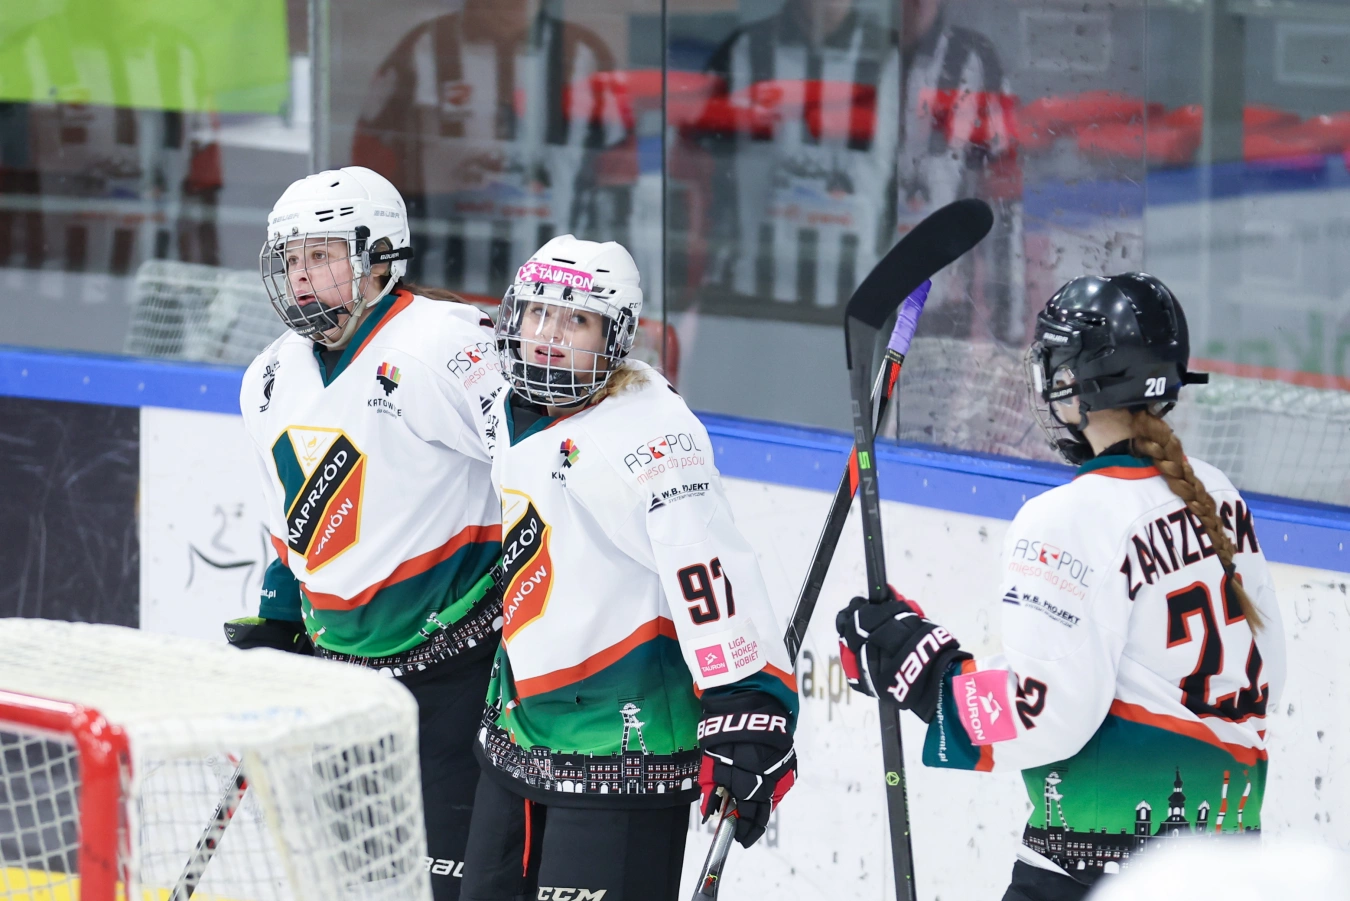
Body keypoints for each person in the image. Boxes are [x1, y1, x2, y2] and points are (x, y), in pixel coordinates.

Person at [835, 273, 1287, 900]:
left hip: (1096, 874)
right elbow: (1269, 674)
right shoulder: (1216, 493)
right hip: (1229, 871)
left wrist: (925, 671)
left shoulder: (1068, 519)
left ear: (1079, 384)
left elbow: (1041, 714)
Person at [460, 235, 798, 901]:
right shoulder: (508, 405)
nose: (548, 335)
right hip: (517, 737)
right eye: (537, 313)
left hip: (623, 753)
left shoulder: (652, 434)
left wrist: (746, 699)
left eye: (576, 320)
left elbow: (707, 569)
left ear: (615, 337)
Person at [226, 165, 507, 901]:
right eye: (291, 259)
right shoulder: (267, 379)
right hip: (341, 679)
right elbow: (293, 524)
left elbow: (537, 477)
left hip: (459, 675)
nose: (301, 276)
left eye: (320, 255)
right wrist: (280, 618)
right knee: (355, 885)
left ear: (379, 257)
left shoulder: (447, 348)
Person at [350, 0, 628, 303]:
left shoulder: (582, 52)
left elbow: (619, 170)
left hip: (556, 289)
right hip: (441, 279)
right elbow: (371, 157)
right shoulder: (424, 47)